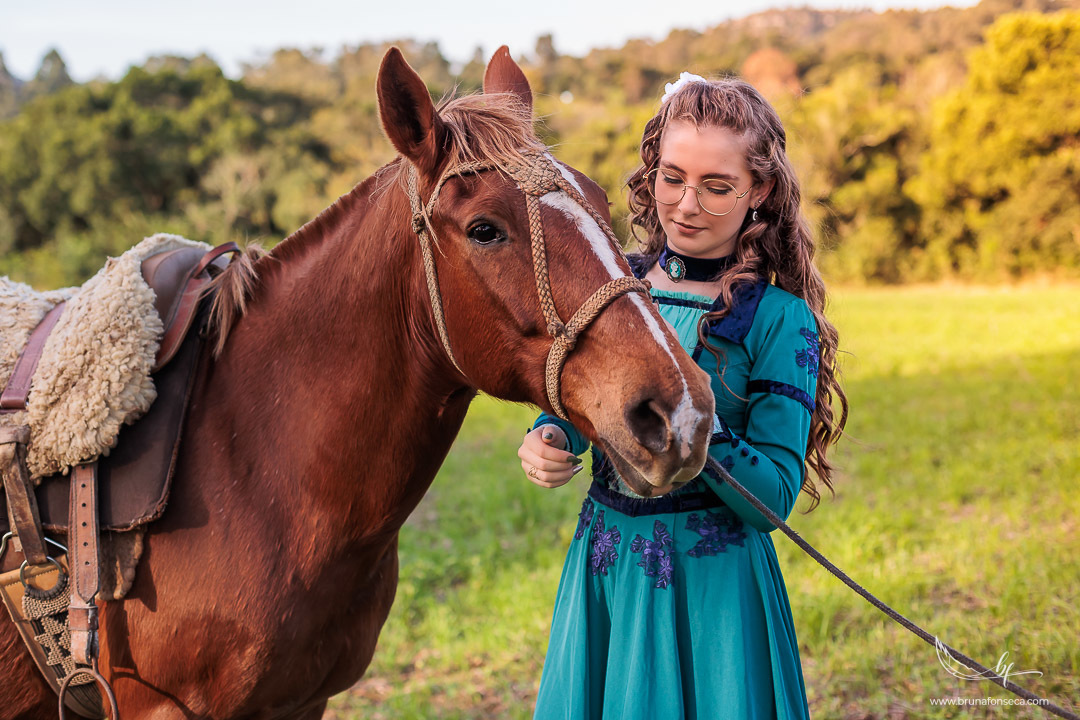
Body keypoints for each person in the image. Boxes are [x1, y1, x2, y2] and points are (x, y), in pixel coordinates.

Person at [517, 72, 848, 719]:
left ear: (761, 190)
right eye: (672, 177)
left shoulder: (779, 320)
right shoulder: (618, 284)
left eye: (717, 186)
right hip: (605, 572)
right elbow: (587, 405)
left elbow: (774, 498)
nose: (687, 204)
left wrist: (695, 416)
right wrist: (550, 434)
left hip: (714, 599)